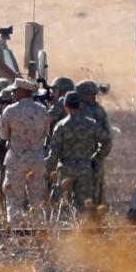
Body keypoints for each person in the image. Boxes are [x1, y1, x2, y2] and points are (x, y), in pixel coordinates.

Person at [47, 91, 109, 221]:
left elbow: (54, 152)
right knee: (86, 206)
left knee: (63, 206)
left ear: (65, 106)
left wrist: (49, 171)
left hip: (65, 169)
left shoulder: (61, 126)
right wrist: (97, 157)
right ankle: (86, 235)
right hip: (86, 168)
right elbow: (106, 140)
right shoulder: (91, 124)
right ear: (80, 105)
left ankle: (65, 234)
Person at [0, 78, 51, 224]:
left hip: (17, 161)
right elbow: (45, 134)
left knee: (14, 199)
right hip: (37, 160)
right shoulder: (43, 110)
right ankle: (39, 232)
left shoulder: (9, 111)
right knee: (37, 200)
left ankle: (16, 234)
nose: (13, 93)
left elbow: (3, 136)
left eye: (15, 91)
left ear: (22, 92)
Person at [75, 79, 112, 207]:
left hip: (92, 160)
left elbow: (107, 138)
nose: (94, 98)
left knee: (96, 191)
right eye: (92, 95)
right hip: (78, 160)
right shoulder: (79, 110)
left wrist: (99, 156)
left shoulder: (97, 112)